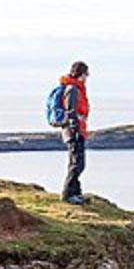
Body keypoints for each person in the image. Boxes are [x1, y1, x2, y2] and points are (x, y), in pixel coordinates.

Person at [60, 61, 90, 203]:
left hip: (78, 129)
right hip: (74, 131)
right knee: (77, 163)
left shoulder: (77, 88)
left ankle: (76, 192)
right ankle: (67, 194)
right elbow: (70, 111)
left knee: (77, 162)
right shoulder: (72, 89)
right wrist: (76, 129)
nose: (87, 76)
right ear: (80, 74)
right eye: (86, 73)